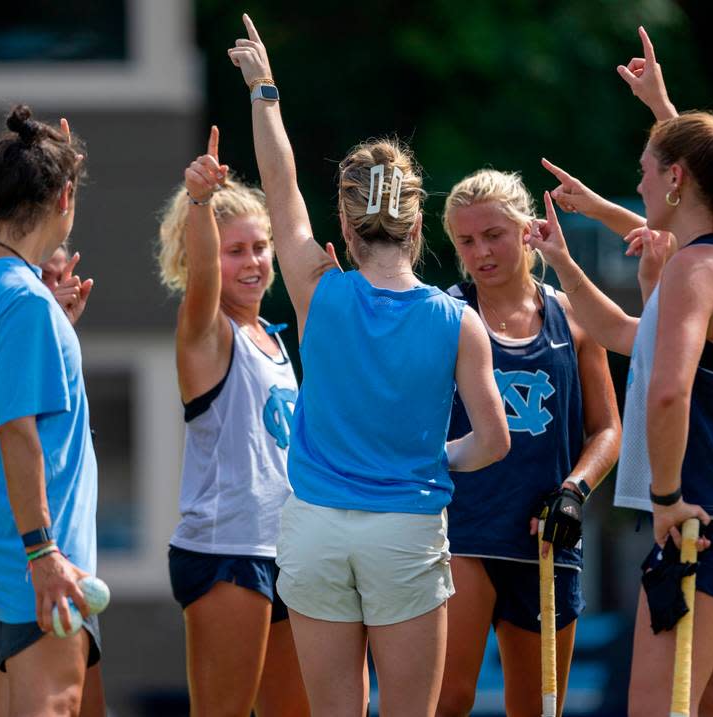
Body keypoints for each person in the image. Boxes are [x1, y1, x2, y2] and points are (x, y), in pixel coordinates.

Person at [228, 16, 510, 716]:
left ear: (347, 229)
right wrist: (427, 454)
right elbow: (493, 440)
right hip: (405, 530)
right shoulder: (458, 321)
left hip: (315, 525)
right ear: (418, 227)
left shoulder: (315, 289)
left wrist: (265, 88)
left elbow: (279, 180)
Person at [526, 106, 713, 716]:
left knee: (656, 708)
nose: (638, 186)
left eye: (646, 172)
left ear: (676, 178)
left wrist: (666, 498)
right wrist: (564, 259)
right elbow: (623, 333)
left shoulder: (696, 270)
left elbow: (668, 391)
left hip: (701, 520)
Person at [433, 169, 621, 717]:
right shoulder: (443, 314)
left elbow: (607, 429)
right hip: (463, 532)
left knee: (539, 708)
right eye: (466, 241)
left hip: (546, 537)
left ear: (527, 230)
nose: (481, 252)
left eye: (493, 234)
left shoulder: (574, 316)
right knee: (448, 697)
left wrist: (575, 491)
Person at [0, 105, 99, 716]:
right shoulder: (28, 304)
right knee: (51, 707)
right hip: (29, 554)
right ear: (64, 198)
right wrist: (43, 554)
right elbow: (16, 432)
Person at [157, 126, 309, 716]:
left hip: (290, 550)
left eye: (260, 247)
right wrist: (198, 202)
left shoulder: (273, 338)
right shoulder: (207, 331)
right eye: (235, 250)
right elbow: (203, 282)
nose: (252, 262)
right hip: (228, 550)